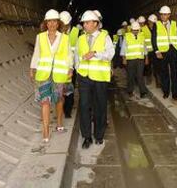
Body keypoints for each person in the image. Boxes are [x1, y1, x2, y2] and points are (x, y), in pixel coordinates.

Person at [30, 9, 73, 143]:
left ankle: (59, 122)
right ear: (46, 23)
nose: (52, 24)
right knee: (45, 101)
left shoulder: (64, 38)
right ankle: (46, 129)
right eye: (49, 21)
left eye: (54, 21)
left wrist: (70, 67)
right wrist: (32, 68)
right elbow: (37, 53)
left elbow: (68, 55)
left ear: (58, 23)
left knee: (59, 100)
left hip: (59, 74)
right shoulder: (40, 37)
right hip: (43, 73)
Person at [75, 10, 114, 148]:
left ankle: (99, 135)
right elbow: (76, 56)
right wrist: (78, 69)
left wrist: (95, 54)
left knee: (100, 106)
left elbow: (110, 54)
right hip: (84, 77)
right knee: (84, 106)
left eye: (87, 22)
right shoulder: (80, 38)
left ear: (95, 24)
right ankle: (86, 137)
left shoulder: (105, 37)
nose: (84, 25)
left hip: (99, 78)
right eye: (84, 23)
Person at [151, 6, 177, 100]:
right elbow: (154, 38)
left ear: (169, 15)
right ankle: (166, 92)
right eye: (162, 14)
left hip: (173, 50)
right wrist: (156, 51)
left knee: (174, 72)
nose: (164, 16)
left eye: (166, 14)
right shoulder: (157, 24)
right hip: (163, 51)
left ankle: (175, 93)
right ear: (160, 15)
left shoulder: (175, 24)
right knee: (164, 72)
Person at [121, 21, 149, 98]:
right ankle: (130, 91)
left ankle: (143, 92)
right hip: (130, 60)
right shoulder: (127, 36)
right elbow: (123, 48)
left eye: (137, 30)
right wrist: (124, 59)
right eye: (134, 30)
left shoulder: (142, 36)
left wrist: (146, 58)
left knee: (140, 75)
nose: (135, 31)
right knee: (131, 75)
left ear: (139, 29)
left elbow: (144, 48)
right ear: (131, 30)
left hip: (140, 59)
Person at [60, 11, 79, 118]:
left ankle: (68, 109)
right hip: (60, 65)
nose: (63, 27)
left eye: (65, 25)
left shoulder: (76, 32)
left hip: (72, 65)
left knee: (70, 87)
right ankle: (62, 107)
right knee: (61, 88)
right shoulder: (58, 32)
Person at [147, 14, 162, 88]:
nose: (153, 24)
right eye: (152, 22)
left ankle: (158, 82)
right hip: (148, 51)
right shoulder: (144, 29)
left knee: (157, 66)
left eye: (154, 23)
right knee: (148, 66)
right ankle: (148, 78)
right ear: (149, 21)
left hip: (155, 51)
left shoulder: (158, 28)